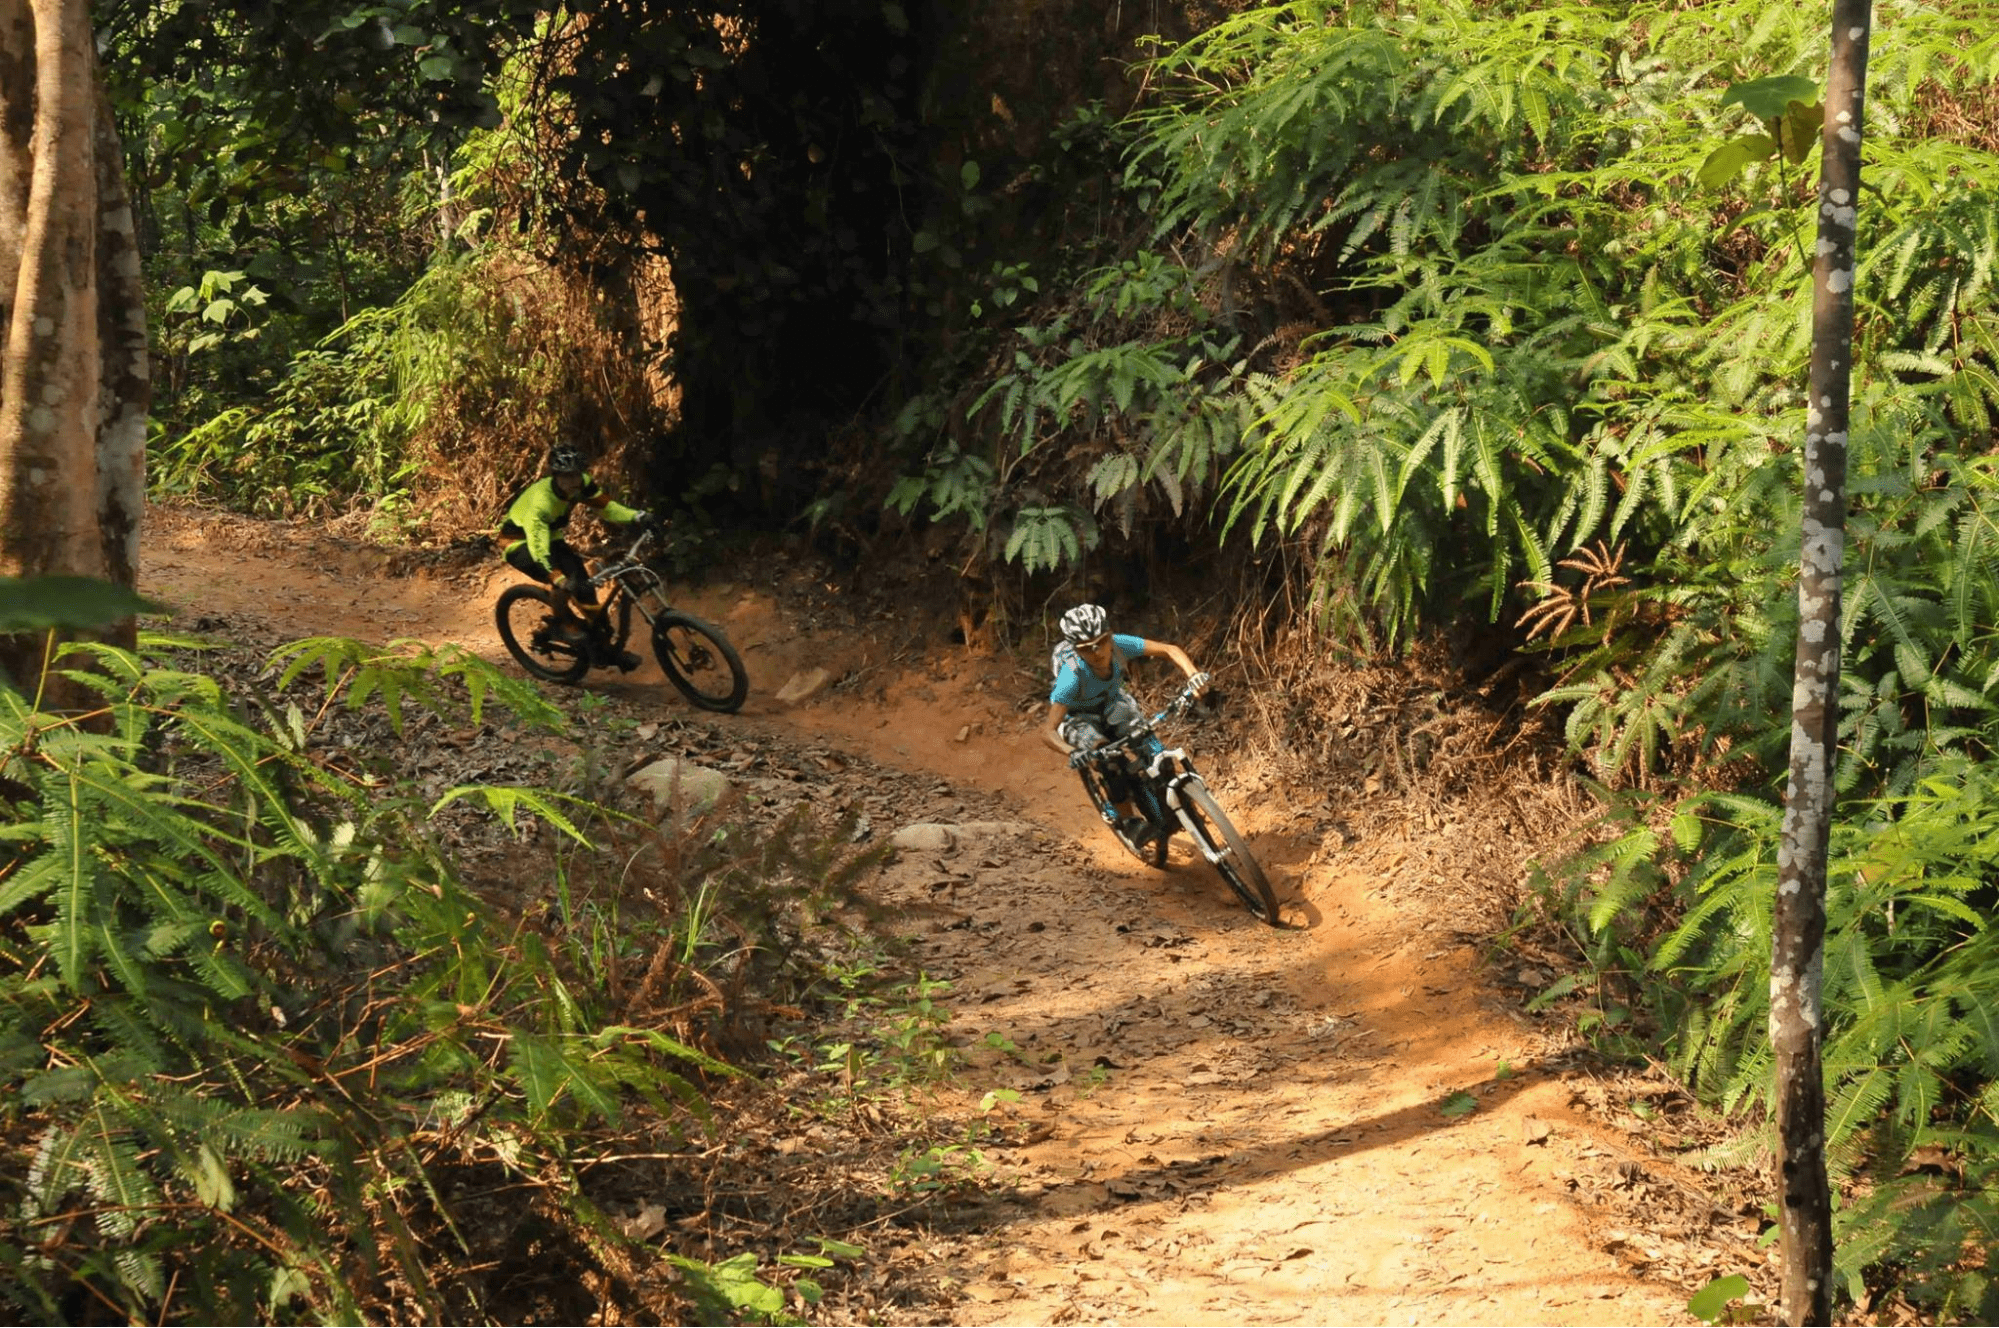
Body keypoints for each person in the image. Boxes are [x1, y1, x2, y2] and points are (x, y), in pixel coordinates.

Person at [1040, 603, 1209, 845]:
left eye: (1102, 642)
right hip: (1077, 718)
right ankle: (1129, 822)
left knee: (1153, 749)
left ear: (1109, 635)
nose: (1098, 652)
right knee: (1109, 761)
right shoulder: (1071, 675)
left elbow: (1170, 650)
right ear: (1077, 651)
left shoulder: (1120, 645)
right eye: (1087, 649)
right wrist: (1073, 752)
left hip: (1111, 702)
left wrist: (1193, 675)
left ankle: (1178, 805)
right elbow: (1047, 730)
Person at [499, 441, 654, 672]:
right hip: (519, 543)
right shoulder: (541, 502)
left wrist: (637, 517)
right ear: (556, 476)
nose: (573, 481)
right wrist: (558, 577)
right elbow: (538, 548)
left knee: (585, 589)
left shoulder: (582, 485)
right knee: (563, 581)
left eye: (577, 475)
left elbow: (607, 507)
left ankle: (601, 650)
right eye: (567, 476)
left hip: (551, 537)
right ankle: (564, 623)